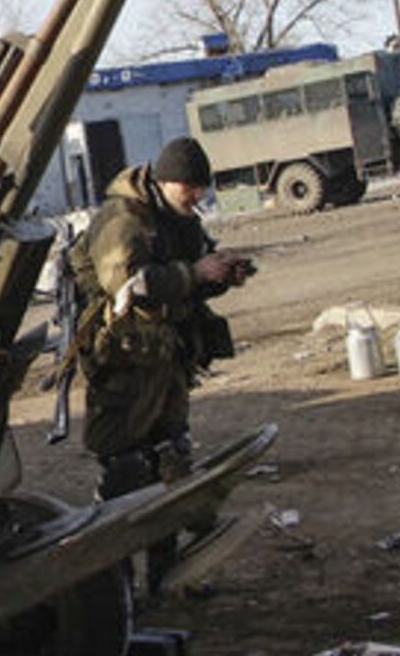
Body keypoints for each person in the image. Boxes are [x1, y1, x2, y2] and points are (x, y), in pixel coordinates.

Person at [67, 137, 252, 592]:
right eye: (190, 188)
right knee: (126, 474)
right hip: (125, 367)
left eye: (201, 189)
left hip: (164, 361)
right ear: (166, 182)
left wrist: (220, 274)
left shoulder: (177, 218)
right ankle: (116, 587)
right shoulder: (125, 220)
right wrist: (196, 274)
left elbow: (187, 278)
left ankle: (168, 574)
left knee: (172, 462)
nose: (197, 198)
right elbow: (130, 285)